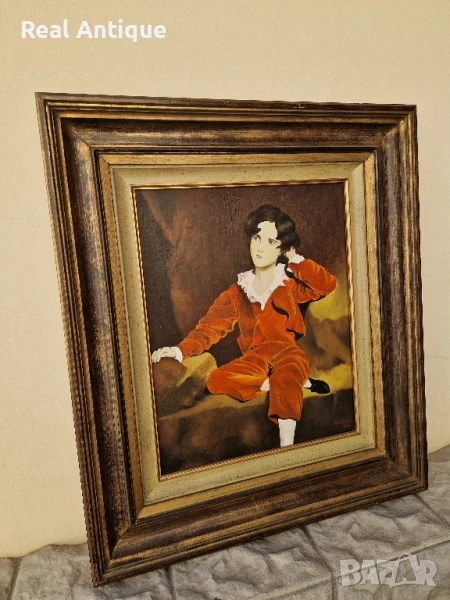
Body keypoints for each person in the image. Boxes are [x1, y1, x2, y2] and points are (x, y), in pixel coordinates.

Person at [152, 204, 336, 447]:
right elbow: (209, 328)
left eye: (270, 241)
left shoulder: (289, 285)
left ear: (281, 247)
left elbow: (325, 285)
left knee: (288, 373)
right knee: (216, 379)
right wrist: (179, 351)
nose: (260, 247)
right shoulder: (238, 291)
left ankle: (287, 445)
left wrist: (294, 258)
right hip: (255, 358)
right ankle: (291, 383)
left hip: (287, 353)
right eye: (257, 238)